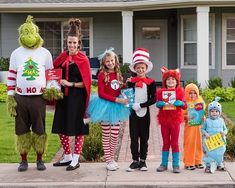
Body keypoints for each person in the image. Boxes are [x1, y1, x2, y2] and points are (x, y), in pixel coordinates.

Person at [7, 15, 53, 171]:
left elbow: (50, 75)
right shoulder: (15, 53)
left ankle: (40, 159)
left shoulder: (45, 53)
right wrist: (10, 97)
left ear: (37, 33)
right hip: (20, 97)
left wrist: (51, 90)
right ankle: (23, 160)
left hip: (38, 98)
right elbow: (12, 75)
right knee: (21, 130)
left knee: (39, 129)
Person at [51, 18, 91, 171]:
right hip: (63, 98)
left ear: (78, 43)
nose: (72, 45)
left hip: (77, 98)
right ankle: (67, 156)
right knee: (61, 126)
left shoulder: (83, 59)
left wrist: (70, 84)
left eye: (74, 43)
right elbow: (53, 72)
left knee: (78, 129)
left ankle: (76, 159)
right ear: (66, 43)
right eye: (69, 43)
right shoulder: (62, 57)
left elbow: (86, 84)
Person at [88, 48, 129, 171]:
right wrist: (117, 100)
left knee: (115, 134)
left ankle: (112, 158)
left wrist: (126, 85)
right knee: (106, 134)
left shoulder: (118, 73)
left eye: (112, 60)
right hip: (105, 106)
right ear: (104, 63)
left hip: (117, 107)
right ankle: (108, 160)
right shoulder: (102, 74)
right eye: (107, 61)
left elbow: (118, 89)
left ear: (115, 61)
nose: (110, 63)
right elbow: (101, 94)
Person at [126, 48, 156, 172]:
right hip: (133, 113)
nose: (140, 70)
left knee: (144, 137)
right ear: (135, 68)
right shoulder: (131, 82)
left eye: (142, 67)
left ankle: (143, 161)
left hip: (145, 113)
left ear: (146, 68)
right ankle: (135, 160)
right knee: (133, 137)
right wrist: (131, 104)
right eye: (138, 67)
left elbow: (153, 99)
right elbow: (127, 95)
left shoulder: (151, 82)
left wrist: (142, 105)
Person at [156, 66, 187, 173]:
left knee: (174, 142)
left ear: (176, 81)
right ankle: (164, 164)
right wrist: (159, 104)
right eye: (168, 79)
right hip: (164, 120)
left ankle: (176, 164)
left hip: (175, 121)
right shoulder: (160, 92)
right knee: (165, 142)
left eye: (173, 79)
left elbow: (185, 105)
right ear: (165, 81)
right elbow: (158, 102)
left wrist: (181, 103)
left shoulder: (180, 92)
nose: (170, 81)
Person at [201, 97, 228, 173]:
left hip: (219, 141)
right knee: (209, 153)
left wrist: (224, 133)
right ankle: (208, 166)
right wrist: (205, 134)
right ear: (209, 112)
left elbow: (225, 129)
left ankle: (219, 164)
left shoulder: (221, 121)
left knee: (219, 153)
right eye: (212, 111)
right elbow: (202, 129)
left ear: (219, 112)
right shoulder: (207, 121)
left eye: (216, 111)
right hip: (210, 141)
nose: (214, 113)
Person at [183, 83, 205, 170]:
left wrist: (203, 117)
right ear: (186, 93)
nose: (192, 95)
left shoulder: (200, 102)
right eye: (190, 93)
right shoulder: (185, 104)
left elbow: (202, 114)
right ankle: (188, 162)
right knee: (189, 144)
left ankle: (198, 161)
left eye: (194, 93)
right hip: (189, 128)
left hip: (198, 128)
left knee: (198, 144)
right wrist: (186, 117)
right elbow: (180, 115)